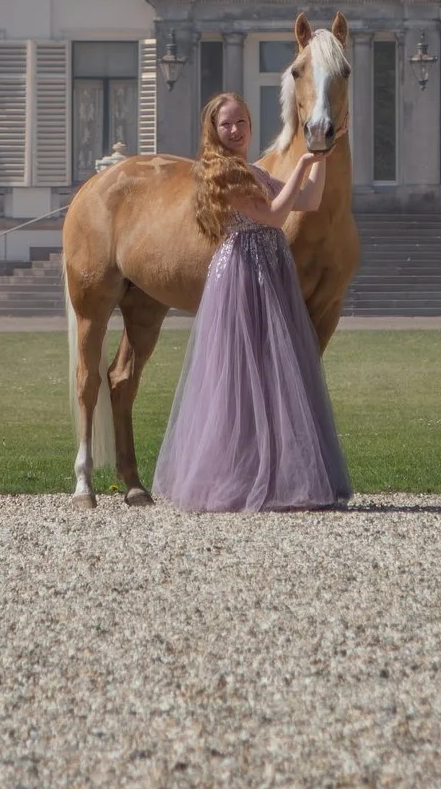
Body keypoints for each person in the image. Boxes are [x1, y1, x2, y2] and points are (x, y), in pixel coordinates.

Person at [150, 92, 354, 512]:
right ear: (213, 130)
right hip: (244, 272)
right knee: (241, 376)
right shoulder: (221, 174)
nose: (236, 130)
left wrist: (321, 154)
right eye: (226, 124)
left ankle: (275, 474)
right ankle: (236, 476)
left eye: (241, 121)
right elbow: (277, 217)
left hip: (271, 270)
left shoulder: (254, 171)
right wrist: (300, 164)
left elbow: (309, 201)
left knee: (273, 373)